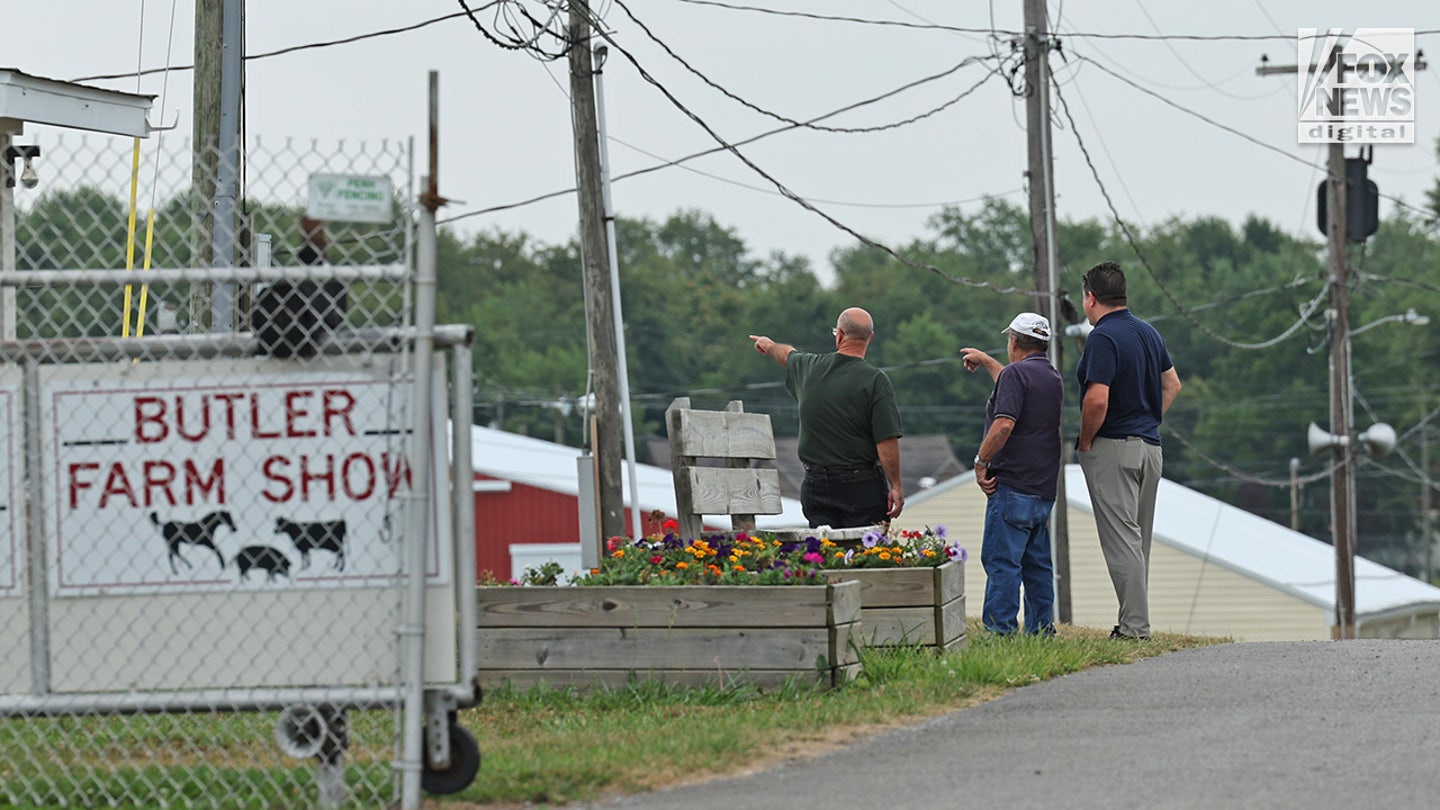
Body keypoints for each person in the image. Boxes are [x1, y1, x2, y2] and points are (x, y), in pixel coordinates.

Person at [1074, 261, 1182, 641]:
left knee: (1121, 543)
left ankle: (1135, 628)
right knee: (1137, 542)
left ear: (1090, 298)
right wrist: (1148, 418)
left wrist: (1086, 439)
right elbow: (1172, 384)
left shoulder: (1103, 338)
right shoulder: (1148, 332)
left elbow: (1097, 398)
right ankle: (1132, 621)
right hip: (1150, 447)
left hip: (1114, 447)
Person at [749, 307, 903, 529]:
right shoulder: (876, 381)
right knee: (865, 554)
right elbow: (886, 440)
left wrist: (768, 345)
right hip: (861, 485)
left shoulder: (809, 368)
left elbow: (787, 354)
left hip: (816, 484)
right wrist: (896, 485)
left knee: (825, 555)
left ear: (839, 335)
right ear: (870, 338)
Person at [960, 312, 1063, 636]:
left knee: (1002, 563)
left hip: (1012, 485)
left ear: (1014, 342)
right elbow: (1012, 382)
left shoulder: (1016, 376)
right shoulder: (1051, 377)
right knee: (1037, 567)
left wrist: (981, 461)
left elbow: (1004, 423)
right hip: (1042, 487)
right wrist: (989, 362)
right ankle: (1041, 632)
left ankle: (1000, 633)